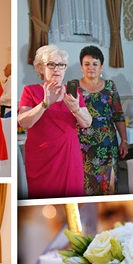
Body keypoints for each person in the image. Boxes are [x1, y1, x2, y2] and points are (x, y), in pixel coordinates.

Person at [18, 44, 91, 198]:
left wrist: (75, 108)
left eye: (61, 65)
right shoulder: (30, 91)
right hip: (42, 158)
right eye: (51, 64)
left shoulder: (73, 92)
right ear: (40, 68)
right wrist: (44, 104)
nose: (57, 69)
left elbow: (87, 122)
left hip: (69, 155)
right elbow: (24, 122)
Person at [68, 45, 126, 195]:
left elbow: (118, 114)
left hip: (108, 143)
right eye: (87, 64)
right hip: (82, 144)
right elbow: (67, 114)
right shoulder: (73, 86)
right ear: (81, 67)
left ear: (101, 67)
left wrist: (124, 140)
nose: (91, 68)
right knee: (85, 185)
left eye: (95, 64)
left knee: (109, 185)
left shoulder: (110, 86)